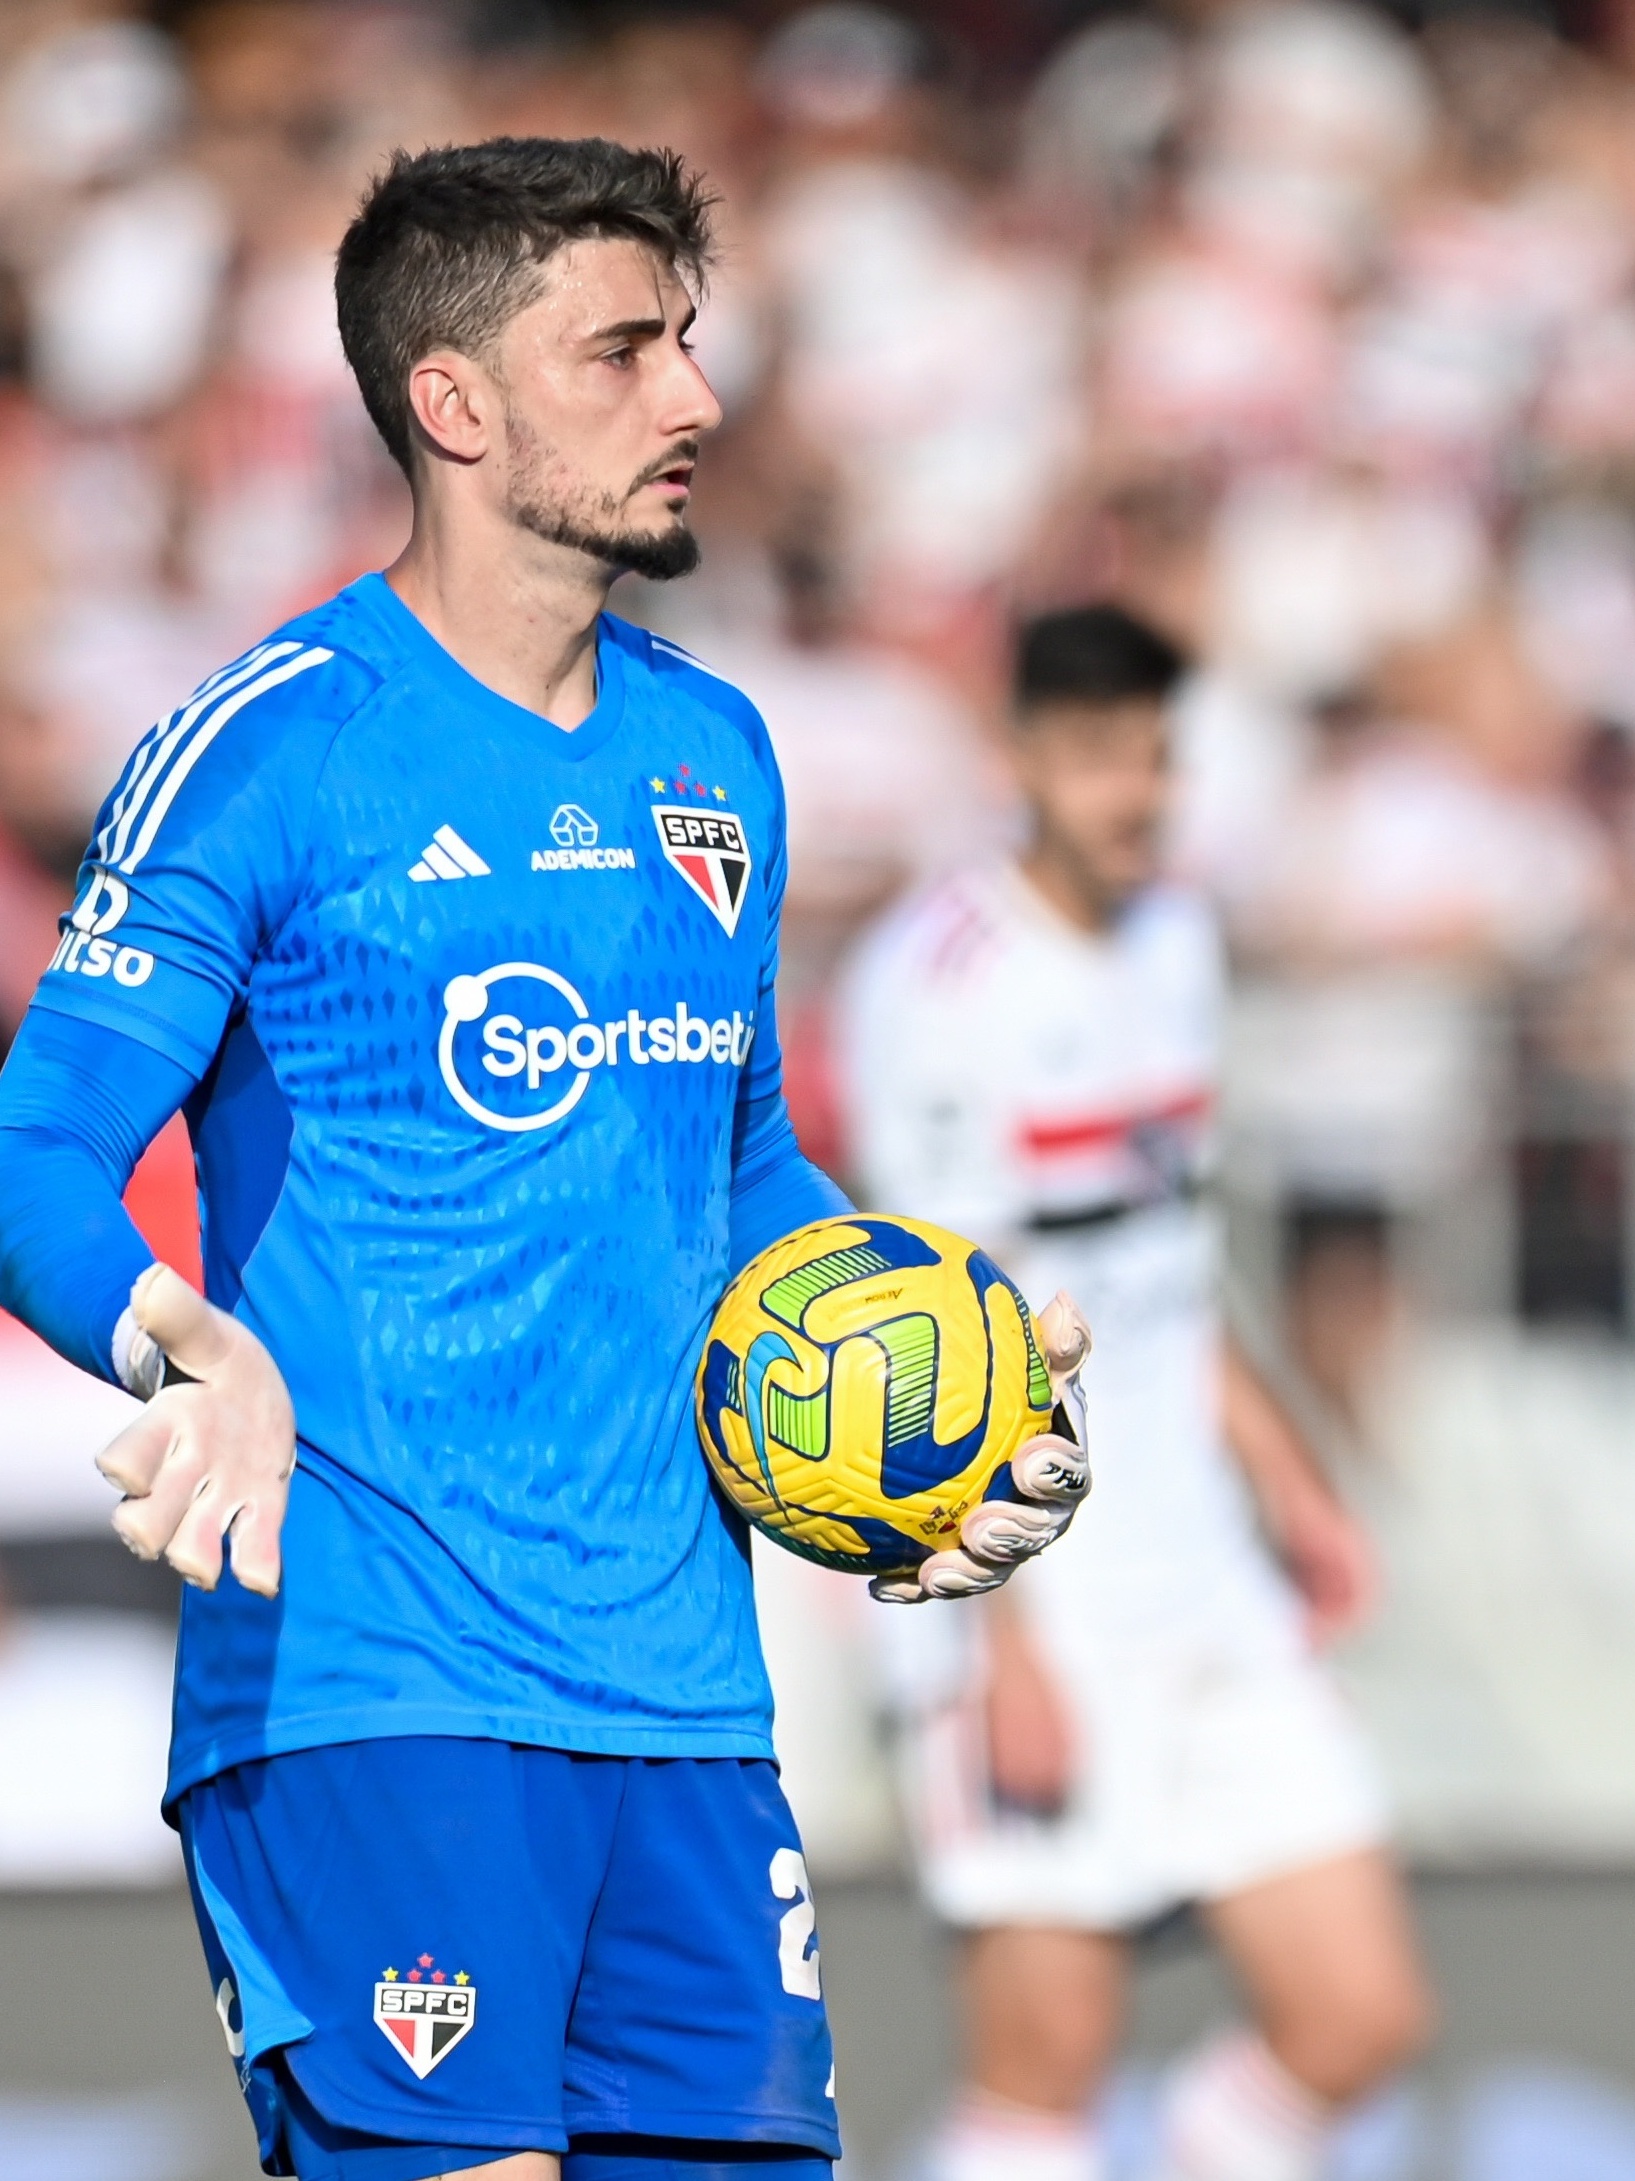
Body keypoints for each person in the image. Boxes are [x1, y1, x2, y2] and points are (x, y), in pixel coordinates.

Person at [0, 139, 1087, 2181]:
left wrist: (931, 1366)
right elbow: (34, 1140)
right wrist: (177, 1344)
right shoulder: (273, 741)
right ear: (456, 402)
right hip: (368, 1682)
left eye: (686, 340)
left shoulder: (715, 750)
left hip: (685, 1701)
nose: (693, 397)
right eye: (624, 351)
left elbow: (736, 1157)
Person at [840, 604, 1435, 2181]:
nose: (1133, 793)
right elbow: (926, 1349)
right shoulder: (940, 983)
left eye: (1157, 756)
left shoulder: (1178, 941)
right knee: (1044, 2076)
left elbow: (1166, 1259)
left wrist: (1296, 1490)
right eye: (1099, 755)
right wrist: (1001, 1643)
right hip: (1033, 1589)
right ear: (1023, 754)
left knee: (1359, 2013)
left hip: (1209, 1582)